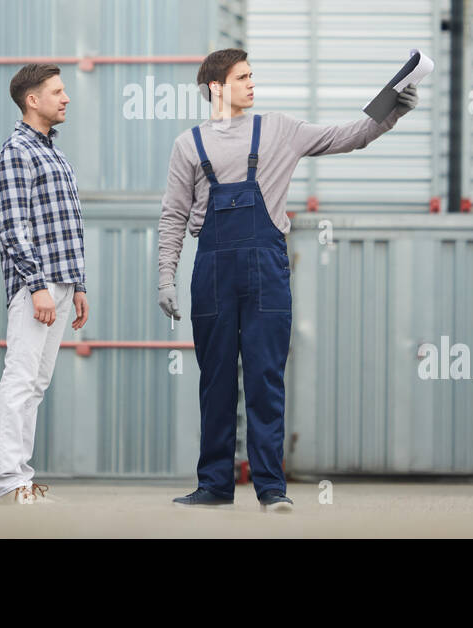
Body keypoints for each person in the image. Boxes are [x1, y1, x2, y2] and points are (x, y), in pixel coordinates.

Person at [157, 48, 418, 511]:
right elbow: (173, 215)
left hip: (266, 273)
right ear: (217, 88)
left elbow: (348, 135)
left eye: (253, 75)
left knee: (265, 378)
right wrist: (166, 278)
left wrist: (391, 109)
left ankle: (271, 488)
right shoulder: (188, 144)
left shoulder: (279, 129)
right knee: (215, 381)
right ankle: (214, 485)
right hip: (212, 272)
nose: (253, 83)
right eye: (243, 77)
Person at [0, 63, 88, 504]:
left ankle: (22, 480)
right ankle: (10, 482)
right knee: (21, 378)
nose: (66, 98)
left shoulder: (53, 153)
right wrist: (37, 285)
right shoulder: (17, 153)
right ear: (33, 100)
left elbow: (66, 226)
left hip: (61, 284)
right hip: (38, 287)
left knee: (36, 384)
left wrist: (78, 285)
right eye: (57, 91)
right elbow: (14, 228)